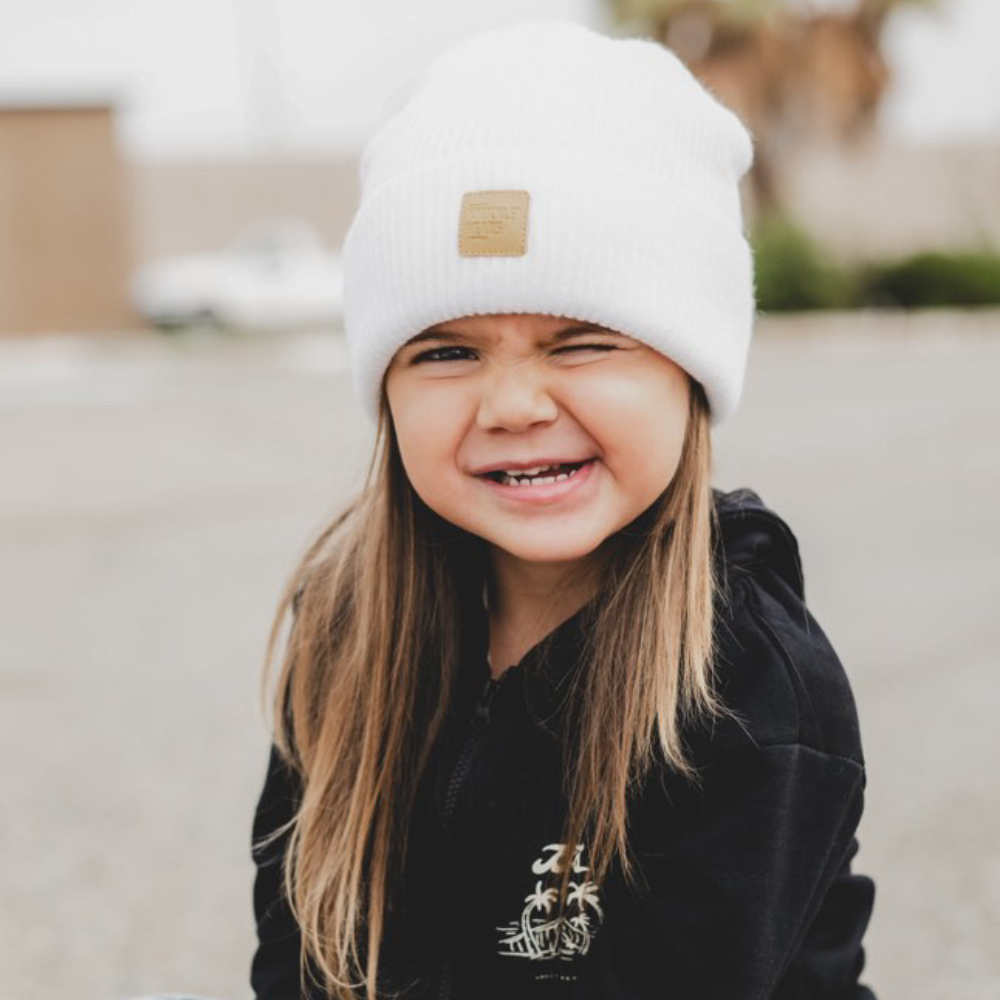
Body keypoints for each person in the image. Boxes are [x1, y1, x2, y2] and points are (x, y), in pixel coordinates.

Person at [250, 19, 877, 1000]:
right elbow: (295, 955)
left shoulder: (743, 682)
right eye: (445, 350)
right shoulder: (347, 622)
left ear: (689, 376)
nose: (511, 405)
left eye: (581, 342)